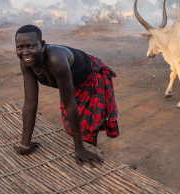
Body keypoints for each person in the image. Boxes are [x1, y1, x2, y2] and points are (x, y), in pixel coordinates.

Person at [14, 24, 119, 167]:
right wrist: (25, 146)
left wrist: (79, 149)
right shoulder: (26, 62)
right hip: (72, 82)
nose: (25, 52)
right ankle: (84, 146)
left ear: (42, 44)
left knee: (87, 124)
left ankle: (88, 150)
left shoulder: (56, 59)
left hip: (89, 79)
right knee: (72, 124)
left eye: (31, 46)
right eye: (20, 47)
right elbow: (30, 103)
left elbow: (70, 104)